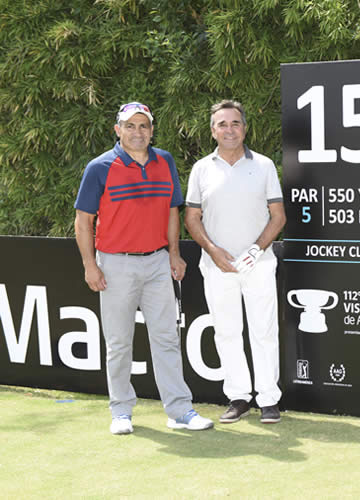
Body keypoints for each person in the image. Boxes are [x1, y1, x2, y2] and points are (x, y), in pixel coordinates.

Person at [74, 101, 214, 434]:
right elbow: (83, 221)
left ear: (151, 131)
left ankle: (179, 410)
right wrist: (90, 265)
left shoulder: (164, 161)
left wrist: (174, 254)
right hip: (115, 264)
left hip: (156, 262)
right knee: (119, 342)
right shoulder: (99, 167)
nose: (137, 132)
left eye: (143, 126)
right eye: (130, 126)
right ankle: (121, 411)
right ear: (117, 130)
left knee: (166, 338)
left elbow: (171, 211)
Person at [184, 100, 286, 424]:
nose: (229, 130)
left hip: (259, 264)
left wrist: (255, 250)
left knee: (264, 332)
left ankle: (269, 399)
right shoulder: (202, 169)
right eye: (222, 124)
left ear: (245, 128)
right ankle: (238, 397)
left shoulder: (264, 165)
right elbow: (192, 218)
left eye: (235, 123)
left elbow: (278, 216)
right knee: (227, 332)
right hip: (217, 266)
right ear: (213, 130)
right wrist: (213, 250)